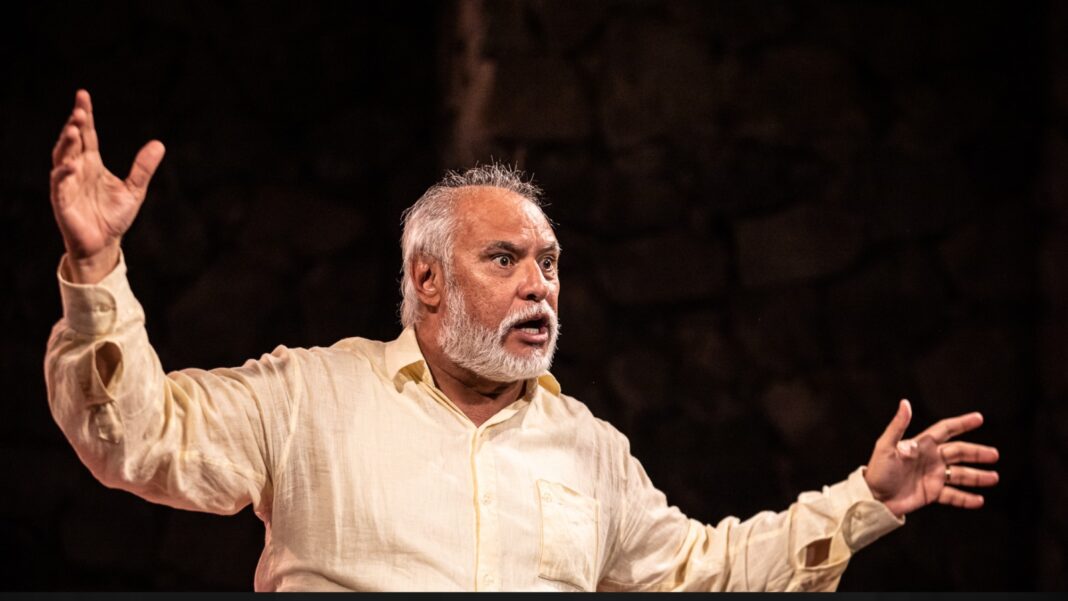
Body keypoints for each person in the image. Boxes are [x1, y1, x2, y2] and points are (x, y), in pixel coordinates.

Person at [44, 89, 1000, 592]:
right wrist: (96, 270)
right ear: (427, 280)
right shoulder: (309, 396)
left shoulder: (589, 447)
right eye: (503, 259)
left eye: (548, 262)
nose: (539, 283)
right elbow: (138, 437)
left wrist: (867, 499)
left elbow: (703, 572)